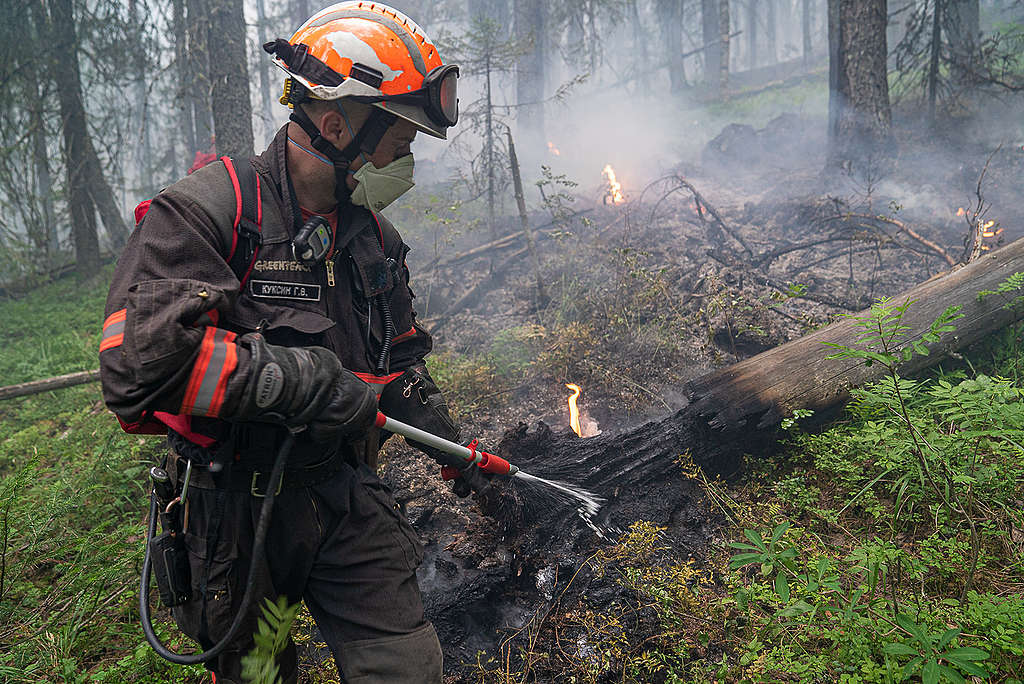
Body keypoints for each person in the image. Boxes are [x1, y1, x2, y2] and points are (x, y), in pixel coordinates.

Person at [98, 3, 483, 682]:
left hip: (344, 495)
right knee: (258, 675)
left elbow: (399, 368)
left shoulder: (374, 240)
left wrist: (462, 457)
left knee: (407, 667)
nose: (407, 159)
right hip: (232, 514)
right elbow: (137, 365)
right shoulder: (208, 212)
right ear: (336, 125)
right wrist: (298, 379)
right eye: (400, 139)